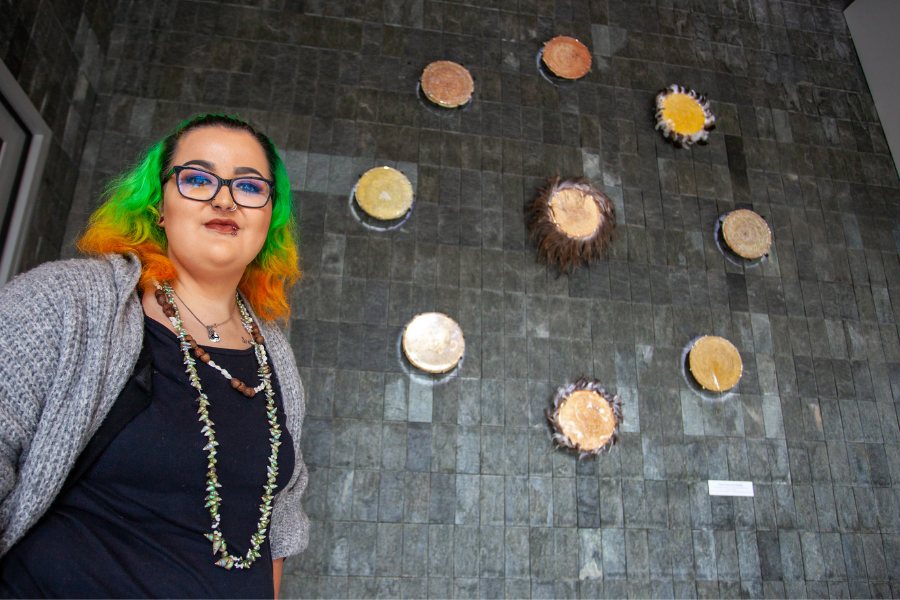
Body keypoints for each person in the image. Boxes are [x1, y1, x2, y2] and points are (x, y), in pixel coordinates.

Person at [0, 114, 308, 598]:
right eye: (198, 179)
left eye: (249, 186)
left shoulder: (277, 356)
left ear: (269, 215)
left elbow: (279, 520)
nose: (224, 198)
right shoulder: (67, 301)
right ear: (159, 204)